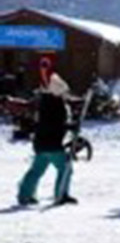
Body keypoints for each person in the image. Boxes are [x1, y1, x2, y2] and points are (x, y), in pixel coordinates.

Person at [16, 74, 75, 206]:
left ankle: (25, 194)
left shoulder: (45, 102)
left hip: (41, 142)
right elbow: (55, 124)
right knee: (65, 168)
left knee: (36, 170)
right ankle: (61, 193)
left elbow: (48, 123)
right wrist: (69, 126)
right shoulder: (56, 104)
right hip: (52, 143)